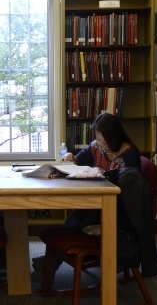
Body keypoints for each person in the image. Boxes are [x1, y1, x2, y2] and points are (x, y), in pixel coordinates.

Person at [31, 112, 141, 283]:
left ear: (114, 135)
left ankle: (48, 265)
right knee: (72, 221)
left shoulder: (128, 155)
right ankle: (49, 265)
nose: (101, 144)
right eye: (98, 139)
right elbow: (78, 159)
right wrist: (71, 157)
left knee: (75, 223)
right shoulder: (96, 147)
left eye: (104, 140)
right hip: (95, 201)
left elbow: (126, 189)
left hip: (115, 208)